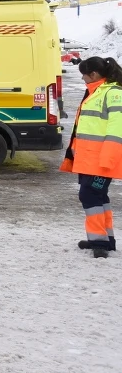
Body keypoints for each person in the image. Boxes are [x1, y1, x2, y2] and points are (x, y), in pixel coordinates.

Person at [60, 56, 122, 258]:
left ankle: (100, 243)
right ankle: (106, 239)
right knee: (98, 197)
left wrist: (108, 160)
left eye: (84, 75)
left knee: (89, 196)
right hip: (89, 160)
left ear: (93, 74)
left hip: (101, 161)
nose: (83, 79)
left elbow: (116, 130)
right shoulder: (96, 92)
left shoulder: (112, 94)